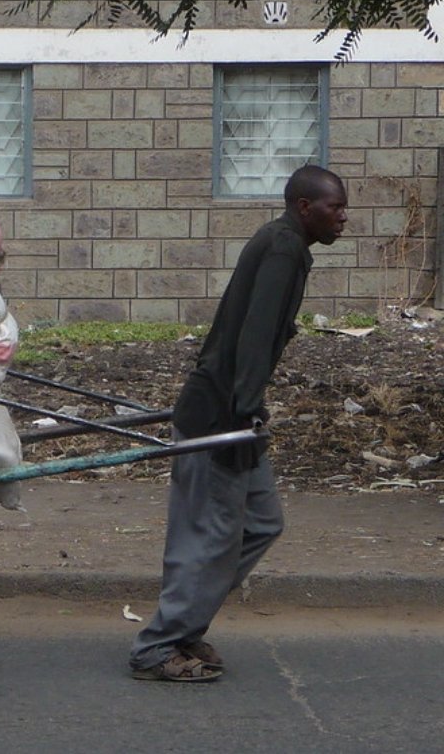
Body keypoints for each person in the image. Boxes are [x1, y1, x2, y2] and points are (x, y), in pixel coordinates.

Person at [128, 165, 348, 682]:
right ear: (303, 207)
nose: (344, 217)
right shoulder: (283, 249)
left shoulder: (288, 244)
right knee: (211, 534)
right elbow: (254, 335)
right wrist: (246, 409)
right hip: (221, 412)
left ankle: (185, 626)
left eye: (343, 208)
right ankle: (156, 647)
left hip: (236, 408)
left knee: (262, 523)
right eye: (335, 207)